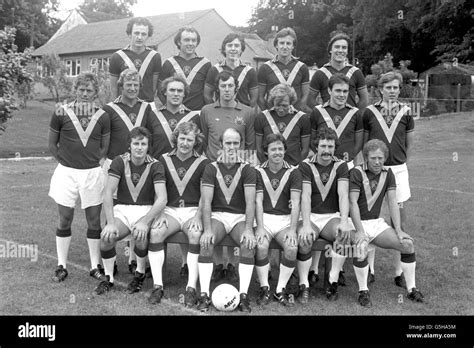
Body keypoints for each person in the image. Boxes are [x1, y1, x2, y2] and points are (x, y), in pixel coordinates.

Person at [49, 72, 110, 282]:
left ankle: (95, 265)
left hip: (92, 173)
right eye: (81, 89)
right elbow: (52, 143)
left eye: (89, 90)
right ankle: (61, 264)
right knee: (65, 218)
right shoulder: (61, 111)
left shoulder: (102, 115)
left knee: (94, 221)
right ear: (75, 90)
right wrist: (66, 162)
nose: (85, 93)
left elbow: (104, 147)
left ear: (95, 93)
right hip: (66, 172)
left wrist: (91, 163)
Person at [349, 139, 424, 307]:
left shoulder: (388, 173)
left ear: (385, 158)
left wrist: (398, 229)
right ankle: (363, 291)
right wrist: (359, 230)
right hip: (354, 223)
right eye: (373, 158)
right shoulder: (356, 172)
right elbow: (352, 203)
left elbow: (392, 202)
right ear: (366, 157)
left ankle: (412, 289)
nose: (377, 162)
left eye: (380, 158)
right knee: (361, 248)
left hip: (375, 223)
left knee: (407, 245)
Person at [94, 127, 167, 295]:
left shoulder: (156, 165)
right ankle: (108, 278)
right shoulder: (119, 161)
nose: (139, 147)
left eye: (143, 144)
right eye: (136, 143)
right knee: (106, 237)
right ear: (129, 145)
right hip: (123, 210)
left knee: (140, 236)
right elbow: (107, 192)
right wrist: (110, 223)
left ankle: (139, 274)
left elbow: (162, 198)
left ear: (148, 146)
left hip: (145, 210)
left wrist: (144, 221)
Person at [308, 73, 364, 286]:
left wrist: (345, 160)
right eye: (337, 90)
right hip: (322, 164)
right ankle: (314, 268)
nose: (342, 95)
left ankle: (337, 270)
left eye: (345, 91)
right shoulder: (317, 112)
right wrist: (325, 158)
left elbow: (359, 142)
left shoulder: (355, 113)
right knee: (319, 207)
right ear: (329, 91)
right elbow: (314, 140)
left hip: (345, 166)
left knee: (342, 211)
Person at [200, 70, 256, 280]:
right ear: (218, 88)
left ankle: (231, 264)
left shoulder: (248, 112)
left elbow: (250, 144)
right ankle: (216, 264)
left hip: (238, 170)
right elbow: (205, 141)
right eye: (222, 86)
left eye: (230, 86)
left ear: (236, 87)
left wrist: (246, 171)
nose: (226, 90)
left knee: (236, 213)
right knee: (214, 212)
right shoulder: (206, 111)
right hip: (214, 171)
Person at [147, 122, 209, 306]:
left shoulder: (203, 162)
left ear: (195, 141)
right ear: (176, 138)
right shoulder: (163, 159)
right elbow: (157, 191)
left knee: (195, 233)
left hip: (192, 210)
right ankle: (158, 286)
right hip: (170, 210)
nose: (185, 143)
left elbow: (205, 195)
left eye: (189, 139)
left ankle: (190, 287)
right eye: (182, 138)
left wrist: (198, 217)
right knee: (156, 232)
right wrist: (159, 214)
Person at [362, 71, 415, 286]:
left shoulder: (407, 112)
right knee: (370, 218)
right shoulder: (369, 112)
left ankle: (398, 272)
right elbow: (365, 144)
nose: (392, 91)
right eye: (388, 87)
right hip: (374, 170)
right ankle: (370, 270)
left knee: (398, 221)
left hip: (398, 170)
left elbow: (409, 144)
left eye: (396, 87)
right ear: (380, 89)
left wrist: (401, 164)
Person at [197, 128, 257, 312]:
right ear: (221, 144)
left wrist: (248, 229)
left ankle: (243, 296)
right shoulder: (211, 167)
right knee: (206, 242)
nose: (231, 146)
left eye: (235, 143)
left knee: (247, 244)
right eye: (228, 143)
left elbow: (250, 202)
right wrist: (207, 229)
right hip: (218, 216)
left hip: (239, 217)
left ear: (240, 145)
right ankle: (204, 295)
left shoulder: (247, 168)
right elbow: (206, 201)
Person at [103, 68, 154, 274]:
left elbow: (150, 136)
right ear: (120, 86)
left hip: (139, 165)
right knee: (113, 211)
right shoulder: (109, 109)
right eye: (128, 85)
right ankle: (111, 262)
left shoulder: (146, 108)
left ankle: (134, 260)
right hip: (115, 164)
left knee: (137, 206)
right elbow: (104, 136)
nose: (132, 88)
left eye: (136, 85)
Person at [296, 127, 353, 304]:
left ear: (335, 147)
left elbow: (344, 195)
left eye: (330, 146)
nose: (327, 150)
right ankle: (304, 284)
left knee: (343, 235)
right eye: (323, 146)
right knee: (305, 239)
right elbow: (304, 195)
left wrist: (344, 221)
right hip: (310, 216)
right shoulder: (306, 165)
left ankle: (332, 281)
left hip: (330, 217)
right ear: (316, 147)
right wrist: (305, 224)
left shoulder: (341, 165)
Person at [254, 134, 301, 306]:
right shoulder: (258, 171)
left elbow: (296, 202)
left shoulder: (294, 172)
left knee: (291, 247)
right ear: (266, 151)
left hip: (284, 220)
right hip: (264, 219)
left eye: (280, 149)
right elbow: (257, 201)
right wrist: (259, 227)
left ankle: (280, 289)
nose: (277, 152)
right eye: (273, 149)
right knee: (261, 245)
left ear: (285, 150)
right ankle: (265, 287)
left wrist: (292, 229)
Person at [307, 33, 368, 110]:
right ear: (330, 50)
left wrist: (355, 115)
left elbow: (364, 100)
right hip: (327, 120)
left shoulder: (356, 72)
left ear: (347, 51)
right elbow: (310, 100)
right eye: (337, 47)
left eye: (344, 47)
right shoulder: (320, 73)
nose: (340, 50)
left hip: (350, 120)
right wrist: (321, 114)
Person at [255, 83, 310, 166]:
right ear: (272, 102)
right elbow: (258, 149)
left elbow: (305, 149)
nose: (281, 109)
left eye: (285, 106)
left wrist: (297, 167)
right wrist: (265, 166)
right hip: (269, 169)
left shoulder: (302, 118)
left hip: (294, 167)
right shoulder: (262, 117)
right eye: (277, 105)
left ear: (291, 102)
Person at [258, 27, 310, 112]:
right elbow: (260, 97)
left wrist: (298, 112)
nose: (285, 47)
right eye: (282, 43)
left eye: (288, 43)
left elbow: (306, 95)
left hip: (294, 117)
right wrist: (268, 114)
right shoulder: (265, 68)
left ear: (293, 46)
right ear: (276, 45)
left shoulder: (302, 67)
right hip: (273, 117)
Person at [109, 17, 161, 102]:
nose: (139, 37)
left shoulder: (155, 57)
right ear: (130, 34)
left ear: (148, 36)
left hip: (147, 107)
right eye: (136, 33)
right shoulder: (117, 56)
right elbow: (114, 89)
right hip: (124, 107)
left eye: (143, 34)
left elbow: (154, 88)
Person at [149, 75, 201, 159]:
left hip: (185, 167)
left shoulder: (194, 117)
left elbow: (198, 146)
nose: (176, 94)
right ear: (165, 92)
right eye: (172, 90)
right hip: (157, 167)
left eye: (179, 91)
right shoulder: (153, 115)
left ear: (184, 94)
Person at [159, 26, 211, 111]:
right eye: (187, 40)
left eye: (193, 40)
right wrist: (172, 107)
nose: (190, 43)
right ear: (179, 42)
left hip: (197, 113)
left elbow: (208, 93)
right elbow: (160, 92)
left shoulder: (206, 64)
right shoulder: (169, 63)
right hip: (175, 113)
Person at [204, 33, 258, 108]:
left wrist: (247, 113)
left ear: (241, 49)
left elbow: (254, 98)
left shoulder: (250, 71)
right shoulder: (214, 70)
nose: (233, 49)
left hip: (242, 116)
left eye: (236, 46)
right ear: (224, 49)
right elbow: (207, 95)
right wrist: (214, 110)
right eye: (229, 45)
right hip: (220, 115)